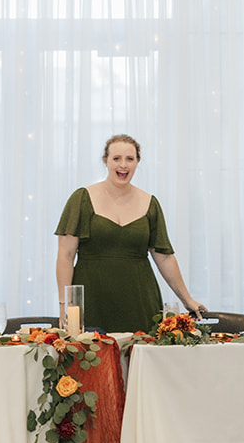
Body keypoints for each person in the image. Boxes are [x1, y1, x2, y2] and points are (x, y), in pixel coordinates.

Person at [55, 135, 205, 333]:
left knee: (141, 360)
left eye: (130, 159)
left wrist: (187, 299)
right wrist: (65, 307)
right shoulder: (81, 198)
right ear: (105, 160)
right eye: (116, 158)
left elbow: (165, 258)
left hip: (140, 300)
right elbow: (65, 256)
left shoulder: (150, 203)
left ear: (137, 162)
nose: (123, 165)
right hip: (93, 298)